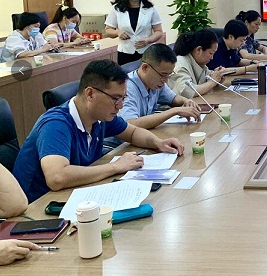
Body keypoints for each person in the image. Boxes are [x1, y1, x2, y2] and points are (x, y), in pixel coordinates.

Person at [13, 59, 185, 203]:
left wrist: (158, 142)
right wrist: (115, 166)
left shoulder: (99, 116)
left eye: (123, 98)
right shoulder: (56, 124)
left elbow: (133, 132)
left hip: (72, 196)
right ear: (90, 94)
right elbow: (57, 177)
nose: (120, 106)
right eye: (115, 98)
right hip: (38, 208)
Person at [119, 44, 201, 129]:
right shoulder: (126, 88)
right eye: (163, 74)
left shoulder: (154, 83)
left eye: (169, 75)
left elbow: (173, 98)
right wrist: (174, 111)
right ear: (145, 67)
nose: (165, 80)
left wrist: (186, 101)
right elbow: (130, 124)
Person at [105, 0, 164, 65]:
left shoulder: (150, 8)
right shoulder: (117, 8)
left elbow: (159, 31)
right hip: (125, 52)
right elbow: (108, 30)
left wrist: (148, 40)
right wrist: (117, 32)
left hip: (147, 52)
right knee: (126, 73)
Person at [168, 29, 229, 98]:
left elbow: (208, 77)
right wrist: (213, 82)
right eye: (211, 53)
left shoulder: (200, 63)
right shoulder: (180, 63)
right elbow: (187, 91)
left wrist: (218, 76)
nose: (212, 58)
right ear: (198, 50)